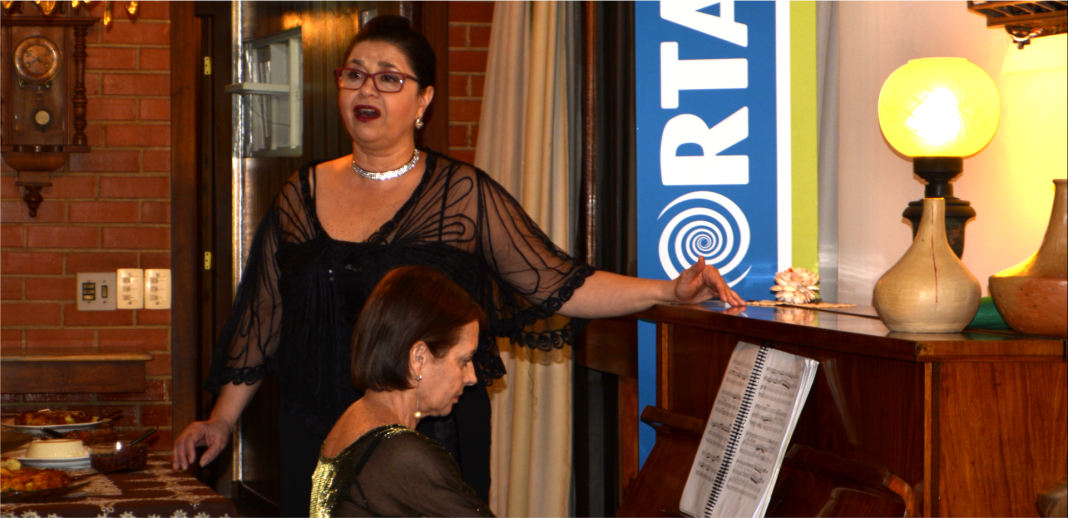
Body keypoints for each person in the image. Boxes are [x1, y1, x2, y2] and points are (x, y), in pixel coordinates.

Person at [173, 15, 745, 517]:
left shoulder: (461, 195)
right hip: (318, 431)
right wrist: (221, 421)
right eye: (355, 74)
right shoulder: (300, 195)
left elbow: (556, 282)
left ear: (424, 101)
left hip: (431, 437)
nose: (367, 89)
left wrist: (668, 290)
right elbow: (261, 320)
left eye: (389, 78)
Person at [310, 266, 495, 518]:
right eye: (464, 360)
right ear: (419, 358)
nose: (472, 377)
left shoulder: (355, 418)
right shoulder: (399, 453)